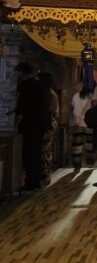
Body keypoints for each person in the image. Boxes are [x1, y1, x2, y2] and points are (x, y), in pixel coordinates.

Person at [14, 62, 47, 192]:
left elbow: (21, 108)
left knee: (28, 154)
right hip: (40, 123)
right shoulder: (40, 85)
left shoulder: (25, 86)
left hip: (29, 124)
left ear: (22, 73)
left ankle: (30, 182)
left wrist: (16, 125)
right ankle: (36, 180)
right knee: (36, 152)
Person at [38, 72, 59, 184]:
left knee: (45, 150)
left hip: (47, 124)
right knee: (46, 150)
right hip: (50, 124)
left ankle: (45, 176)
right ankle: (45, 175)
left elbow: (52, 111)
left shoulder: (48, 94)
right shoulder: (51, 93)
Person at [69, 79, 92, 172]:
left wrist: (77, 118)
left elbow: (73, 108)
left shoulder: (75, 96)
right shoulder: (90, 96)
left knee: (77, 146)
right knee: (89, 145)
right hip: (88, 123)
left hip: (78, 123)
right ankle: (90, 163)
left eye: (78, 85)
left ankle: (77, 165)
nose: (76, 86)